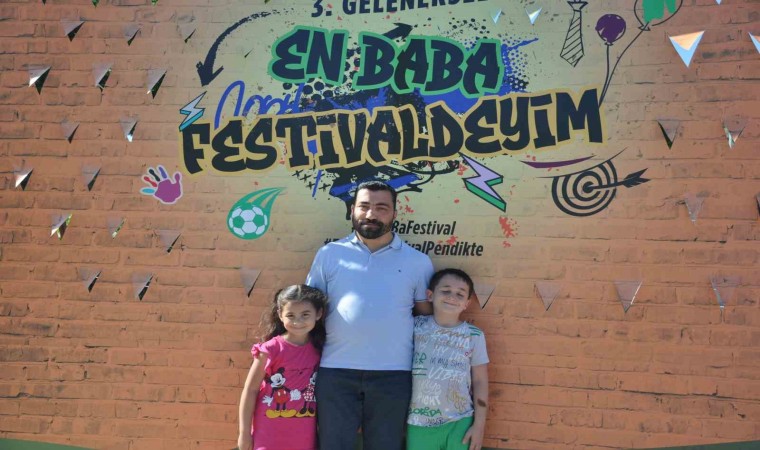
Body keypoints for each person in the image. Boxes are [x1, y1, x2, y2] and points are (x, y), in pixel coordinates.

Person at [306, 180, 435, 450]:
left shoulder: (418, 262)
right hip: (335, 371)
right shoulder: (329, 255)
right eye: (364, 206)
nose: (371, 214)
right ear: (352, 209)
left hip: (394, 374)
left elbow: (425, 317)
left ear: (395, 213)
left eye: (381, 208)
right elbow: (310, 310)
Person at [407, 268, 489, 450]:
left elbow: (480, 381)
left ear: (467, 303)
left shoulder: (474, 335)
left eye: (460, 294)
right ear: (430, 295)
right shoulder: (414, 327)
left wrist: (479, 426)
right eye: (446, 291)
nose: (452, 297)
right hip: (418, 423)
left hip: (460, 422)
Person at [237, 285, 327, 450]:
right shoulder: (270, 349)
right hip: (268, 431)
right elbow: (250, 390)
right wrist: (244, 433)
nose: (297, 322)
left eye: (305, 315)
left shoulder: (320, 350)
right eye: (290, 315)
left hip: (304, 433)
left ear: (319, 313)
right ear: (280, 314)